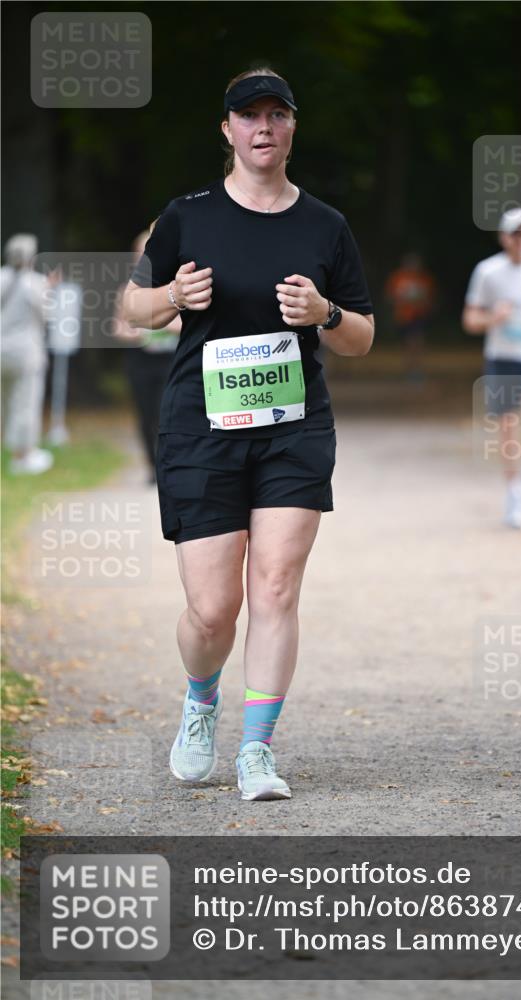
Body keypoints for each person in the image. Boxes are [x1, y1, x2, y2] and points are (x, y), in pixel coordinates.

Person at [122, 67, 374, 801]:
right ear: (227, 130)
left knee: (276, 586)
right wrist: (172, 295)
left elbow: (361, 336)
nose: (263, 127)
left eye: (276, 114)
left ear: (292, 127)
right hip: (201, 429)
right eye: (249, 115)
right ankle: (201, 699)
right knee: (212, 611)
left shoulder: (324, 225)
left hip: (293, 428)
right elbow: (134, 308)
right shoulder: (187, 216)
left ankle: (257, 751)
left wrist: (326, 313)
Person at [462, 209, 521, 528]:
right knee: (507, 427)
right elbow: (470, 319)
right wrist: (493, 318)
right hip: (502, 359)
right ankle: (515, 494)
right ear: (504, 237)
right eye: (515, 233)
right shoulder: (488, 271)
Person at [113, 227, 180, 484]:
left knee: (166, 414)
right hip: (140, 360)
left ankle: (167, 466)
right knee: (145, 415)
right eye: (140, 253)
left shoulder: (176, 286)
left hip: (170, 359)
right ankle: (152, 467)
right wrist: (136, 333)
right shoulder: (127, 291)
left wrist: (160, 324)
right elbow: (118, 327)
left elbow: (187, 325)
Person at [1, 233, 57, 474]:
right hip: (25, 353)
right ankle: (22, 456)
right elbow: (47, 316)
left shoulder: (1, 277)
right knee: (25, 403)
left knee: (3, 403)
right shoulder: (36, 282)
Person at [384, 252, 436, 380]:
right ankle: (409, 369)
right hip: (403, 316)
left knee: (416, 342)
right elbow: (390, 296)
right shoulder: (398, 277)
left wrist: (420, 301)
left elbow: (430, 298)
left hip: (419, 316)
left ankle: (415, 370)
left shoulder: (424, 279)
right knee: (408, 344)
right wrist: (403, 300)